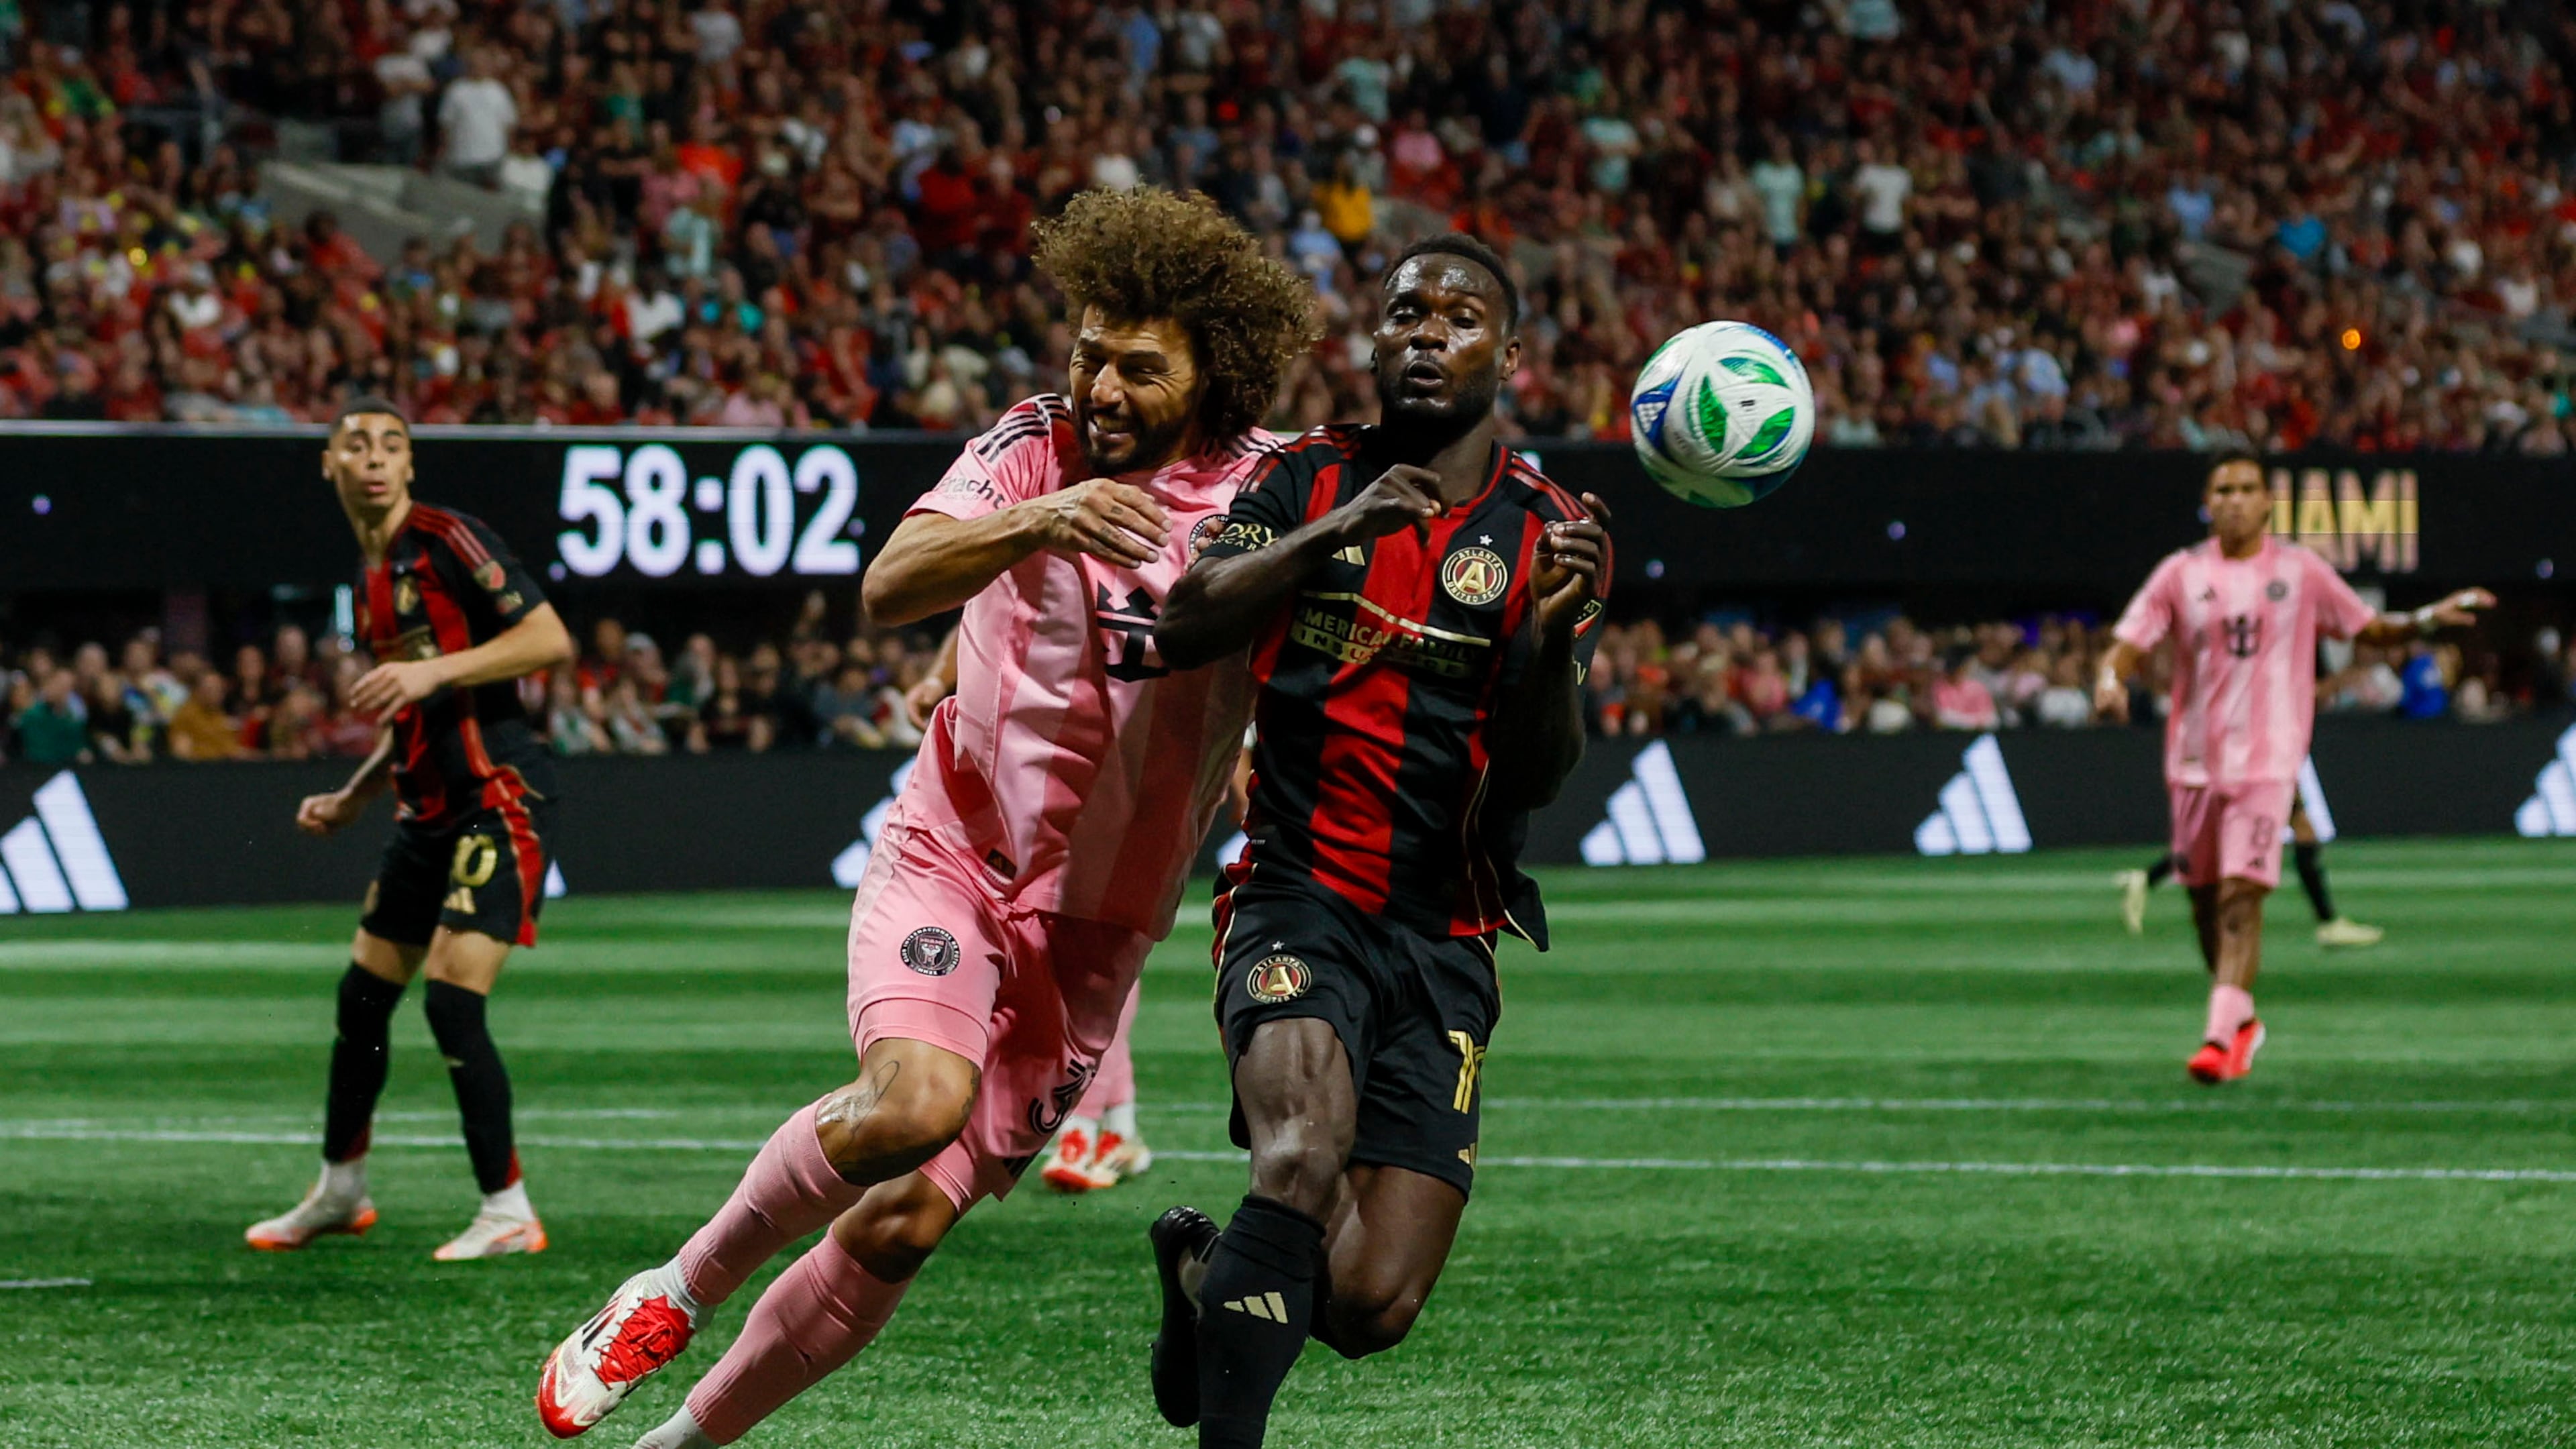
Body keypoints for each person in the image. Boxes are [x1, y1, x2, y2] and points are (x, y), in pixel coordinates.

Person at [534, 186, 1318, 1448]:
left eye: (1137, 366)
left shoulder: (1278, 493)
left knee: (901, 1220)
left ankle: (679, 1443)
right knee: (911, 1106)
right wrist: (1041, 518)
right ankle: (672, 1291)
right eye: (1087, 351)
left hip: (1098, 930)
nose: (1099, 386)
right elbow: (892, 584)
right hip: (953, 855)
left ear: (1215, 373)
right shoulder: (1029, 446)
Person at [1146, 233, 1611, 1448]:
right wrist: (1333, 531)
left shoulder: (1551, 532)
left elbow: (1542, 770)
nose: (1424, 333)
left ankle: (1206, 1279)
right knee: (1300, 1156)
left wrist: (1554, 642)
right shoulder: (1303, 479)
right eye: (1405, 313)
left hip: (1448, 926)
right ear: (1368, 341)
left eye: (1459, 319)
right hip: (1297, 893)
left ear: (1507, 356)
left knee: (1365, 1303)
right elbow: (1183, 622)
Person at [243, 399, 575, 1260]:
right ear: (330, 465)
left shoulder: (448, 538)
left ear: (411, 464)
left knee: (452, 999)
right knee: (361, 1001)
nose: (376, 459)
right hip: (422, 810)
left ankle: (507, 1210)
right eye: (358, 446)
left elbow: (548, 638)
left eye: (392, 445)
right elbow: (409, 704)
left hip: (498, 796)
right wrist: (356, 794)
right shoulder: (366, 577)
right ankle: (340, 1189)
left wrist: (433, 669)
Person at [2095, 453, 2489, 1085]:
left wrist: (2423, 620)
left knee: (2239, 896)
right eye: (2223, 489)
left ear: (2268, 503)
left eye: (2248, 489)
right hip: (2193, 762)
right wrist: (2109, 679)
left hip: (2269, 762)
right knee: (2202, 903)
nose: (2235, 500)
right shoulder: (2181, 572)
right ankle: (2242, 1020)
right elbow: (2130, 640)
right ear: (2207, 500)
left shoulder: (2301, 571)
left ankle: (2218, 1035)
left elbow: (2368, 629)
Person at [2116, 771, 2382, 947]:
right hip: (2258, 755)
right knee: (2290, 828)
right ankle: (2328, 924)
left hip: (2254, 751)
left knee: (2225, 834)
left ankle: (2148, 878)